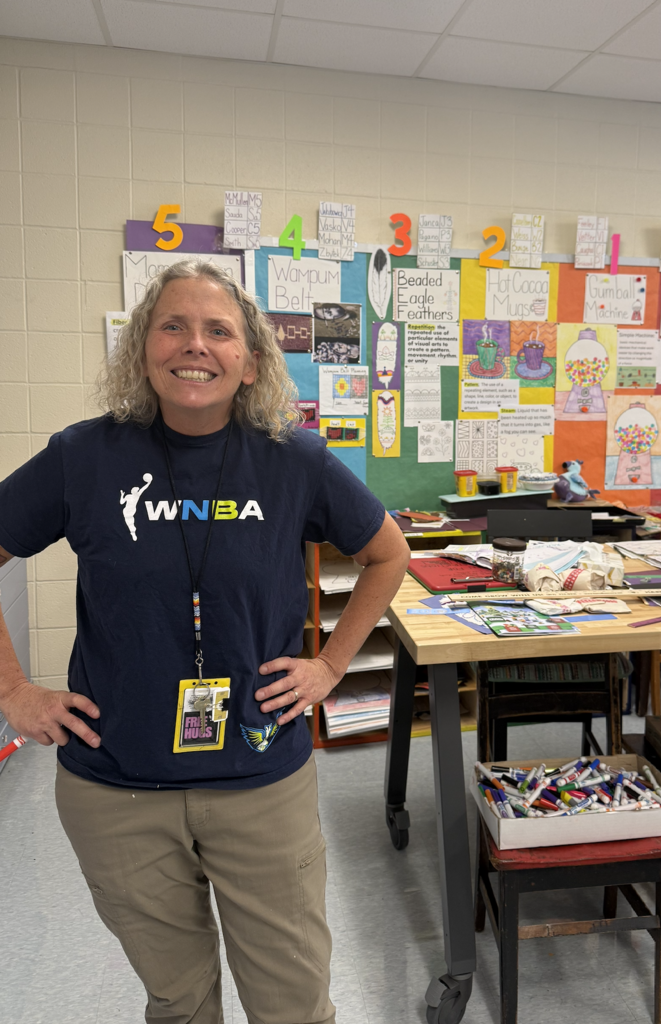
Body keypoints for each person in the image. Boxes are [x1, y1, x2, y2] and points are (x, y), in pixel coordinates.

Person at [0, 260, 410, 1024]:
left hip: (260, 783)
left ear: (250, 359)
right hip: (115, 790)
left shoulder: (295, 462)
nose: (196, 345)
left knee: (292, 1005)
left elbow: (388, 552)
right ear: (143, 349)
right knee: (180, 1003)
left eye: (218, 330)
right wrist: (13, 692)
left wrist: (329, 665)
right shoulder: (84, 457)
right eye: (173, 325)